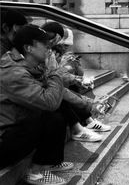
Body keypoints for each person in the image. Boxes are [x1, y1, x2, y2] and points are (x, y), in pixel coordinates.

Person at [0, 24, 72, 185]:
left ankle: (51, 162)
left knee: (58, 107)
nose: (50, 49)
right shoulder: (12, 72)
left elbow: (55, 92)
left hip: (15, 129)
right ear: (28, 48)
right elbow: (49, 102)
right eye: (45, 45)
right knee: (52, 117)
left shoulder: (27, 64)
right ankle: (36, 173)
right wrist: (54, 71)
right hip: (4, 141)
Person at [41, 22, 111, 140]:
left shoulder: (51, 55)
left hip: (50, 89)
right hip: (43, 95)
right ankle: (79, 128)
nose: (50, 46)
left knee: (62, 93)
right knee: (59, 97)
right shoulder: (46, 55)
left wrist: (77, 77)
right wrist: (88, 103)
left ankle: (85, 123)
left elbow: (56, 76)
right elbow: (55, 81)